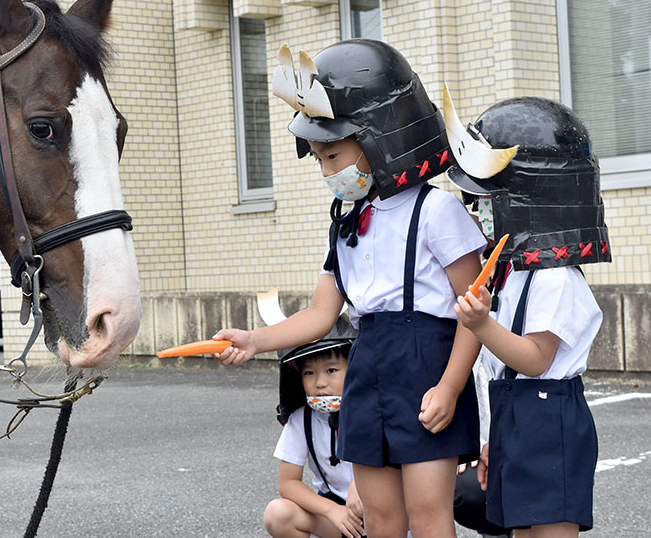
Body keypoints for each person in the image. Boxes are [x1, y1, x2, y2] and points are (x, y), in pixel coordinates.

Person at [215, 39, 487, 537]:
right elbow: (320, 315)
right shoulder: (345, 222)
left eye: (333, 154)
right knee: (381, 520)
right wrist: (255, 341)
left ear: (378, 138)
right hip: (367, 372)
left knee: (429, 518)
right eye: (318, 158)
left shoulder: (437, 211)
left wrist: (449, 386)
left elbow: (474, 312)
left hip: (426, 368)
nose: (327, 170)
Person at [448, 95, 608, 535]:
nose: (474, 209)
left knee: (550, 528)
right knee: (519, 529)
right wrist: (492, 439)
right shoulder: (509, 269)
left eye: (482, 199)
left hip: (549, 418)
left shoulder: (554, 276)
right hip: (515, 415)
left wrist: (481, 325)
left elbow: (536, 359)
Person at [264, 314, 365, 538]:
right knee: (277, 514)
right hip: (336, 514)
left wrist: (363, 484)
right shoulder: (302, 420)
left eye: (331, 370)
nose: (320, 382)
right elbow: (288, 482)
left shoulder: (372, 409)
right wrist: (332, 511)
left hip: (381, 509)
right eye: (309, 373)